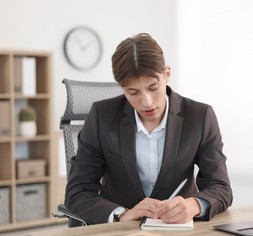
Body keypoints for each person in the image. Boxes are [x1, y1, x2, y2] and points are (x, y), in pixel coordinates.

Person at [64, 33, 233, 225]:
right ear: (121, 88)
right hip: (120, 233)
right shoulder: (101, 116)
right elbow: (78, 192)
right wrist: (122, 214)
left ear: (167, 74)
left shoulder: (200, 116)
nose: (147, 102)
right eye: (133, 92)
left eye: (153, 87)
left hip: (179, 230)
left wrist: (194, 205)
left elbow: (220, 187)